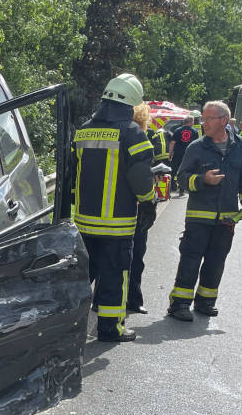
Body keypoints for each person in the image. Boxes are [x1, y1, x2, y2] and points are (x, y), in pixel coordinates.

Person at [73, 73, 155, 342]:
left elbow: (73, 173)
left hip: (84, 222)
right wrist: (149, 201)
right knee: (114, 276)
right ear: (132, 102)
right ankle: (110, 328)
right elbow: (141, 179)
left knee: (81, 277)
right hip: (117, 225)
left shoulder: (83, 130)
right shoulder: (133, 133)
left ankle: (69, 326)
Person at [166, 100, 242, 321]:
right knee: (190, 259)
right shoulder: (196, 147)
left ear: (224, 121)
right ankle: (179, 305)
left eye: (208, 119)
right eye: (203, 119)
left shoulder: (240, 146)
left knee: (216, 261)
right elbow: (182, 178)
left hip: (226, 218)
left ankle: (205, 301)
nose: (203, 123)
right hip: (199, 217)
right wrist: (203, 179)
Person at [127, 102, 166, 314]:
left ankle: (130, 299)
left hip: (120, 207)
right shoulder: (136, 136)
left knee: (125, 258)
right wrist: (149, 203)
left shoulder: (134, 135)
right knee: (135, 256)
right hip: (135, 205)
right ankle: (133, 300)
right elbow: (138, 175)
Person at [168, 115, 199, 196]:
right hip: (188, 154)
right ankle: (182, 189)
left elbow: (172, 143)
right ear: (191, 122)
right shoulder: (195, 132)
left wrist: (170, 153)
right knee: (185, 171)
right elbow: (196, 145)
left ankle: (172, 187)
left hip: (178, 153)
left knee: (174, 170)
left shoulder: (177, 130)